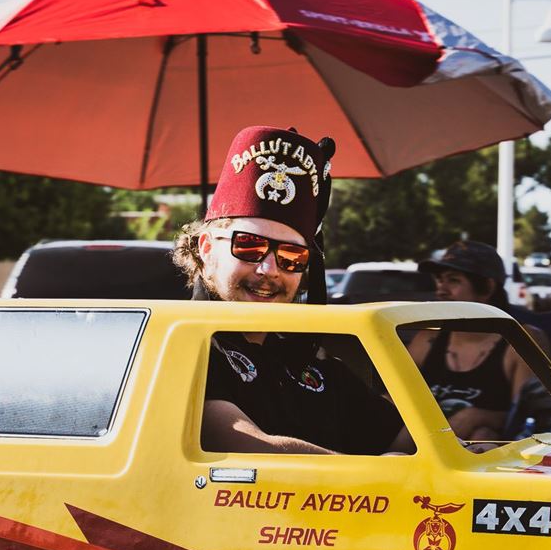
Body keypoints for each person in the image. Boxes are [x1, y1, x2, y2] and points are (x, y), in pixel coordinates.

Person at [172, 124, 404, 456]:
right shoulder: (178, 348)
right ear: (207, 247)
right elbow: (242, 442)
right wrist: (379, 478)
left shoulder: (309, 363)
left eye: (291, 257)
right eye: (249, 246)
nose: (269, 270)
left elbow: (403, 438)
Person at [410, 239, 541, 440]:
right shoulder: (428, 338)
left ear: (487, 288)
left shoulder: (520, 340)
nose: (441, 290)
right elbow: (393, 400)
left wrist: (476, 417)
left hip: (485, 455)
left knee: (482, 434)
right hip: (410, 452)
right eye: (439, 279)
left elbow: (526, 420)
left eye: (453, 280)